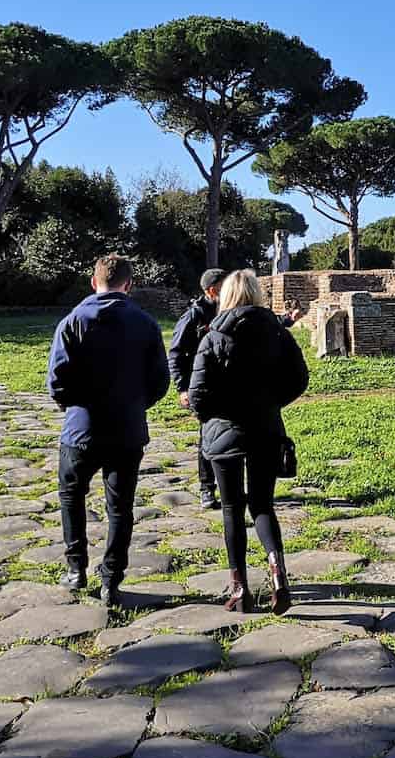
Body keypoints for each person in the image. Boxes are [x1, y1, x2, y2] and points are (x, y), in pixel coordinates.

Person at [47, 254, 170, 604]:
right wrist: (135, 404)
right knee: (120, 507)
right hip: (126, 428)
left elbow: (57, 380)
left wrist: (73, 405)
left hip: (81, 428)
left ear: (93, 282)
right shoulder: (145, 324)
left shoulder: (72, 321)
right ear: (128, 285)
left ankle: (76, 568)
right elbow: (160, 380)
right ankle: (111, 578)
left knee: (71, 495)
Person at [188, 269, 309, 615]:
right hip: (265, 428)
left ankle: (240, 589)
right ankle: (278, 576)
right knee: (262, 506)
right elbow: (299, 378)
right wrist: (271, 404)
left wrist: (213, 414)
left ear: (225, 296)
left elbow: (197, 394)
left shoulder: (213, 336)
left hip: (223, 432)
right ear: (257, 294)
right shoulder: (277, 333)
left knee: (231, 509)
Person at [168, 268, 228, 509]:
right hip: (203, 385)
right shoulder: (194, 316)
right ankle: (207, 489)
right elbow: (175, 353)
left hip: (228, 384)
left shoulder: (229, 309)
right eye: (224, 286)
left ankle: (231, 487)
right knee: (208, 436)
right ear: (212, 290)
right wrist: (182, 388)